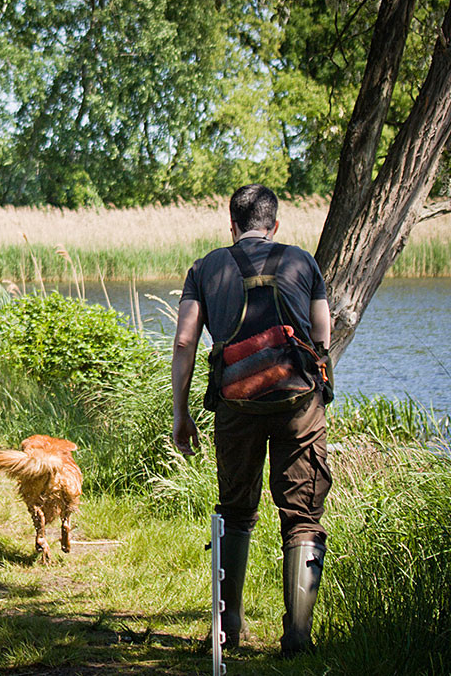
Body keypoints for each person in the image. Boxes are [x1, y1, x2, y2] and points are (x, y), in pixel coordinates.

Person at [171, 184, 332, 656]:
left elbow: (184, 343)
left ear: (232, 223)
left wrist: (182, 414)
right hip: (298, 404)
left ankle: (226, 631)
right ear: (274, 224)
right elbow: (323, 334)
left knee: (236, 512)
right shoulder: (304, 261)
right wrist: (318, 393)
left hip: (235, 406)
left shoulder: (205, 267)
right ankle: (298, 639)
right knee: (302, 516)